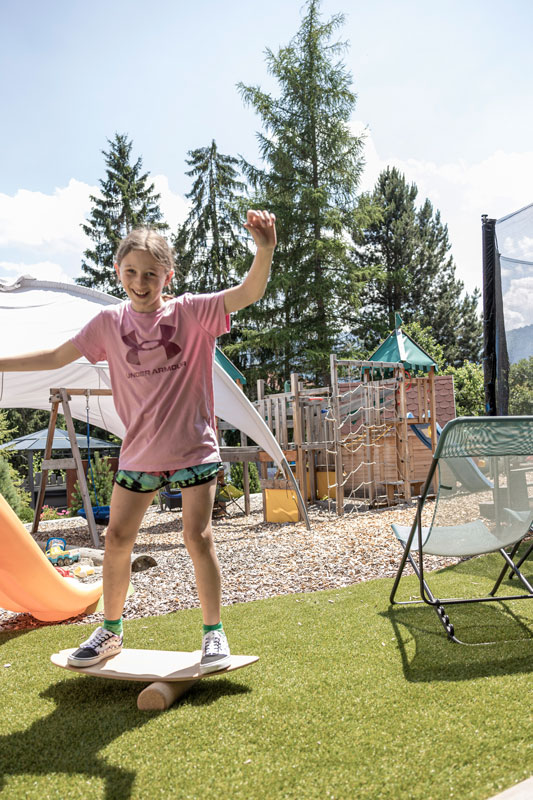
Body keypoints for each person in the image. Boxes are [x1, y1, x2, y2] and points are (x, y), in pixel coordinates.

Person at [0, 209, 276, 673]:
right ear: (117, 271)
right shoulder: (108, 323)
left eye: (151, 274)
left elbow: (248, 293)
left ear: (168, 275)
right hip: (140, 452)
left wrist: (263, 250)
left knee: (197, 536)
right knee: (117, 539)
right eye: (131, 272)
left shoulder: (191, 312)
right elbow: (53, 355)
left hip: (192, 448)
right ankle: (111, 631)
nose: (141, 282)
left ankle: (213, 634)